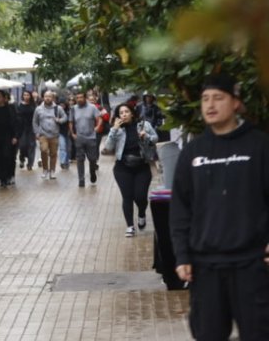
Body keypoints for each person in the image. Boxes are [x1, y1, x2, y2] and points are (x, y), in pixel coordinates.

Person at [170, 73, 269, 341]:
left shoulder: (259, 146)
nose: (210, 105)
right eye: (205, 99)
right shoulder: (193, 152)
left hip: (252, 265)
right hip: (205, 267)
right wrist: (182, 256)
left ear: (235, 103)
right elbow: (180, 209)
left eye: (218, 98)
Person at [102, 103, 157, 237]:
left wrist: (146, 136)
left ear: (132, 113)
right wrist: (114, 130)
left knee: (140, 196)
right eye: (121, 113)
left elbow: (155, 138)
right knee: (127, 197)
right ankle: (130, 226)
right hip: (122, 168)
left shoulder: (143, 125)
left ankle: (142, 213)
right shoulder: (117, 129)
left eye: (126, 112)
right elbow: (108, 147)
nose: (124, 115)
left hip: (142, 166)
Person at [69, 91, 103, 188]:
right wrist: (72, 133)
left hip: (91, 137)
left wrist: (97, 127)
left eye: (81, 97)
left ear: (85, 98)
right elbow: (70, 121)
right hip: (79, 137)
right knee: (80, 159)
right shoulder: (73, 109)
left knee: (92, 159)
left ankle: (92, 173)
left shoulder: (92, 107)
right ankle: (81, 180)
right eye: (77, 98)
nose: (79, 99)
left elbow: (99, 118)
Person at [32, 90, 67, 180]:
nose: (47, 98)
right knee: (43, 150)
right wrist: (36, 132)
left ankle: (52, 171)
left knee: (53, 153)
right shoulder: (38, 109)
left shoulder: (58, 108)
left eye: (49, 96)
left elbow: (65, 117)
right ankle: (45, 169)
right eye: (46, 96)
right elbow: (35, 121)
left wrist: (59, 120)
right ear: (43, 97)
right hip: (43, 134)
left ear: (52, 98)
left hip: (54, 135)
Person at [15, 90, 37, 171]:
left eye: (28, 95)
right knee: (22, 145)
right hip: (22, 128)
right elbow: (17, 117)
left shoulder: (33, 105)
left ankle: (30, 164)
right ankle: (22, 159)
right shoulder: (19, 105)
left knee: (31, 145)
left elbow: (36, 117)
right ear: (22, 96)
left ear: (30, 96)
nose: (26, 96)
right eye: (25, 95)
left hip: (31, 127)